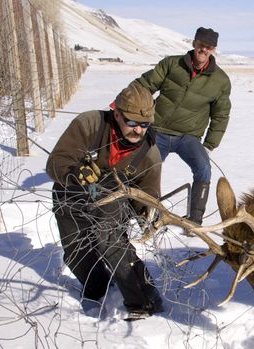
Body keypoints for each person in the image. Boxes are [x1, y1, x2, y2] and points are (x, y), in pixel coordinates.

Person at [47, 84, 164, 320]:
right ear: (117, 113)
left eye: (144, 125)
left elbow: (148, 197)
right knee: (75, 252)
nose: (138, 130)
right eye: (132, 122)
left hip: (113, 201)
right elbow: (55, 162)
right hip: (71, 194)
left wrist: (150, 215)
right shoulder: (90, 124)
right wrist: (73, 172)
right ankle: (100, 291)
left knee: (110, 241)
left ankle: (144, 302)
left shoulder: (149, 156)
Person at [130, 26, 232, 225]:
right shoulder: (172, 64)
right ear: (194, 43)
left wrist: (209, 144)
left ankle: (194, 220)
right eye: (201, 45)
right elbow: (144, 85)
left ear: (214, 50)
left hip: (189, 137)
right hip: (157, 130)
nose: (204, 50)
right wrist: (125, 104)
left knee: (203, 168)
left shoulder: (220, 81)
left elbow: (221, 115)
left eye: (209, 47)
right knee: (143, 167)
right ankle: (142, 212)